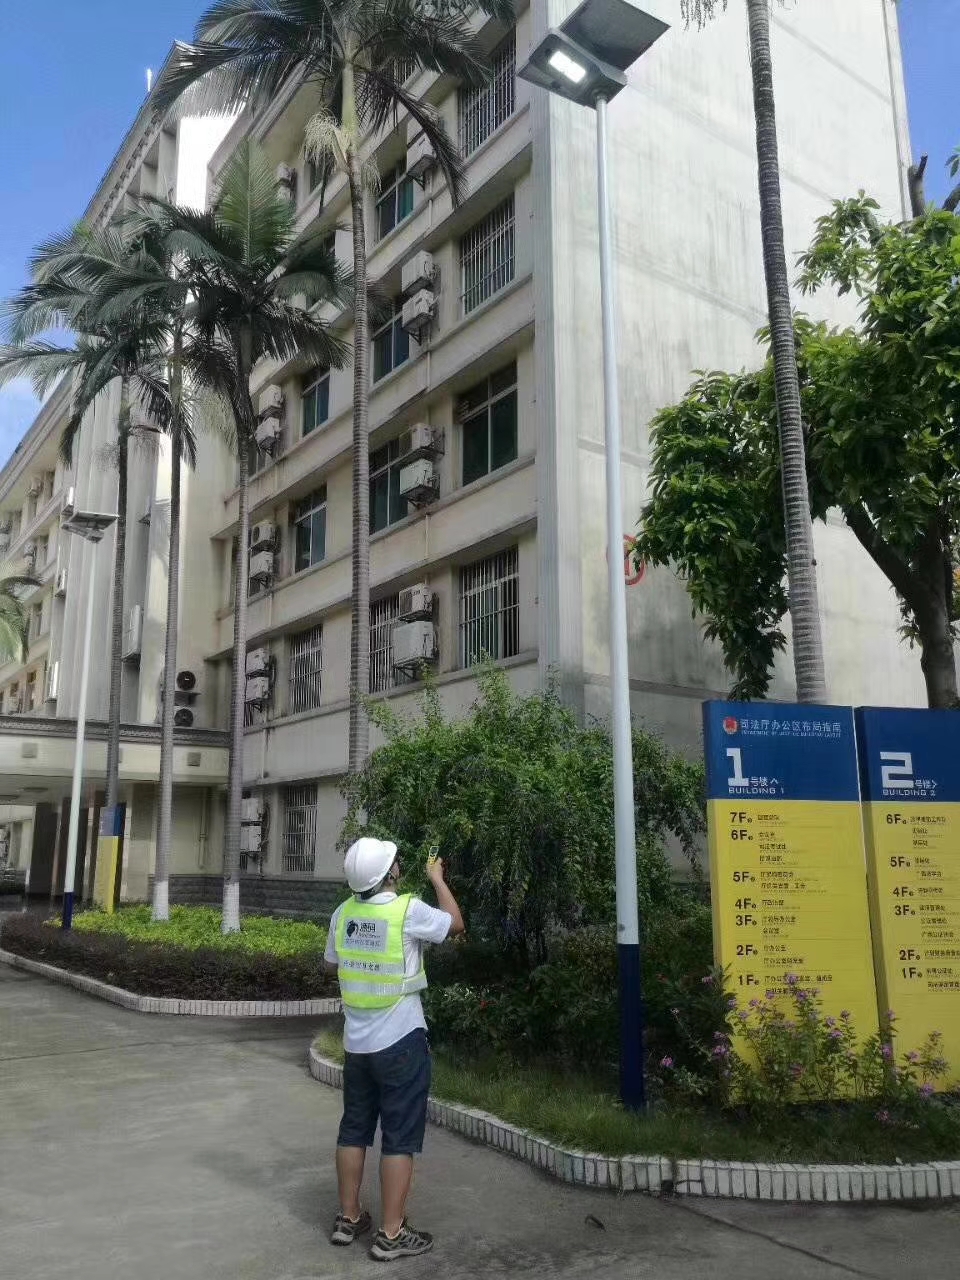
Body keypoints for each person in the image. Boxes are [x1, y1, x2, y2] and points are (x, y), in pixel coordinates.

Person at [325, 836, 465, 1261]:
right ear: (390, 874)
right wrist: (437, 878)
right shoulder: (408, 910)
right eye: (396, 863)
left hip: (357, 1046)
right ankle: (391, 1233)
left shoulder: (342, 914)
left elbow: (332, 962)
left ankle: (349, 1218)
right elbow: (455, 924)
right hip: (401, 1043)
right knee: (399, 1138)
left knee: (354, 1129)